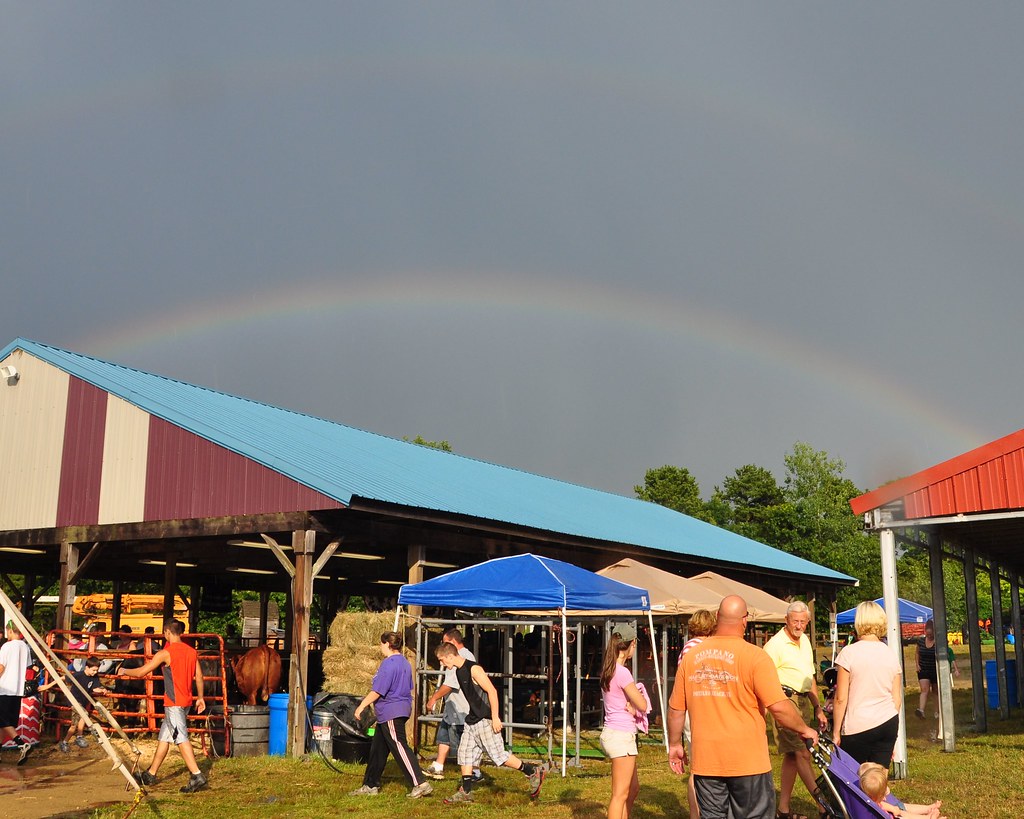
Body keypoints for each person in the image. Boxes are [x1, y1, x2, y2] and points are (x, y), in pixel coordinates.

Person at [667, 595, 818, 819]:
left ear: (717, 617)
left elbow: (676, 709)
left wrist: (675, 744)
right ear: (745, 621)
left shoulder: (692, 657)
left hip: (707, 762)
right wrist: (805, 729)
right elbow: (778, 707)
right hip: (748, 762)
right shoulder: (755, 656)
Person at [434, 641, 548, 805]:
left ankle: (533, 771)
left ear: (450, 656)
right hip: (472, 720)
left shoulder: (474, 669)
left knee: (499, 756)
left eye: (442, 660)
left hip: (485, 719)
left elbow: (492, 691)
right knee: (464, 754)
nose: (441, 664)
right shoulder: (459, 672)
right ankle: (465, 792)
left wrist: (495, 717)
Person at [119, 619, 208, 793]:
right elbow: (199, 676)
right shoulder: (191, 651)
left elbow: (142, 672)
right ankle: (151, 774)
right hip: (187, 701)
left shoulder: (165, 653)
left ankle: (196, 774)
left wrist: (124, 671)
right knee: (165, 737)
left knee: (180, 737)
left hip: (174, 702)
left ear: (167, 632)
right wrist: (201, 698)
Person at [764, 600, 830, 819]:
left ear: (808, 622)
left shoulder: (804, 641)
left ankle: (783, 810)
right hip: (785, 701)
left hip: (802, 701)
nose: (799, 626)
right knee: (803, 753)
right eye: (795, 621)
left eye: (803, 622)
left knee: (793, 757)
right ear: (786, 620)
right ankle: (824, 806)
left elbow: (809, 676)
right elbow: (763, 679)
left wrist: (817, 707)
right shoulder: (775, 645)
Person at [349, 631, 433, 799]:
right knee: (378, 750)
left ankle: (420, 783)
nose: (380, 647)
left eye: (381, 644)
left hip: (391, 712)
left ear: (387, 644)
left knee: (399, 746)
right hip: (397, 710)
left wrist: (361, 706)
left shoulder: (388, 664)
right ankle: (370, 784)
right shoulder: (405, 663)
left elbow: (378, 691)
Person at [832, 601, 902, 766]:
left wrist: (836, 732)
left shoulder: (848, 653)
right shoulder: (890, 654)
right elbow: (896, 698)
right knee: (878, 778)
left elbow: (841, 698)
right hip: (888, 721)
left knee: (853, 778)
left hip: (858, 724)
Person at [600, 623, 649, 819]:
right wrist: (636, 702)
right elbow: (643, 705)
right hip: (621, 735)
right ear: (632, 644)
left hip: (614, 732)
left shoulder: (608, 668)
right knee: (619, 795)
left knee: (633, 788)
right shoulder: (622, 672)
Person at [424, 629, 482, 782]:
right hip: (452, 706)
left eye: (445, 642)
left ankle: (475, 771)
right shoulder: (455, 657)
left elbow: (451, 684)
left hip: (462, 708)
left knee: (466, 743)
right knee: (443, 735)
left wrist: (433, 698)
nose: (443, 645)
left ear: (453, 643)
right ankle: (438, 765)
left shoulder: (462, 657)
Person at [678, 608, 716, 819]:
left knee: (697, 765)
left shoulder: (687, 648)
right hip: (701, 710)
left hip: (689, 710)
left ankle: (696, 813)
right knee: (701, 768)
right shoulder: (707, 649)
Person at [39, 656, 110, 751]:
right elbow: (63, 678)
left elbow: (94, 688)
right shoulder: (78, 675)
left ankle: (65, 742)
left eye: (96, 670)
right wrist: (47, 686)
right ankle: (79, 737)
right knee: (84, 714)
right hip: (74, 701)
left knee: (74, 725)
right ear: (87, 667)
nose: (95, 672)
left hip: (83, 702)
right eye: (93, 670)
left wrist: (102, 690)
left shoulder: (94, 678)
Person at [858, 762, 946, 818]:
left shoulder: (869, 800)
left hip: (892, 813)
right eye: (882, 796)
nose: (885, 798)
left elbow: (883, 804)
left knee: (901, 809)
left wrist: (893, 808)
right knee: (903, 813)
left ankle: (928, 812)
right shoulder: (871, 807)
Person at [0, 620, 32, 765]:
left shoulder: (6, 646)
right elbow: (28, 667)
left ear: (11, 631)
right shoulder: (25, 646)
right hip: (17, 689)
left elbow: (1, 667)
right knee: (6, 723)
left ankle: (21, 743)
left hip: (4, 688)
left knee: (3, 720)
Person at [915, 620, 938, 720]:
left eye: (930, 634)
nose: (928, 636)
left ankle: (937, 711)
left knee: (935, 691)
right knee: (924, 689)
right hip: (923, 668)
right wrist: (917, 664)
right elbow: (917, 653)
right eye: (927, 634)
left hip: (934, 669)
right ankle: (921, 710)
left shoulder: (938, 642)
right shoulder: (920, 641)